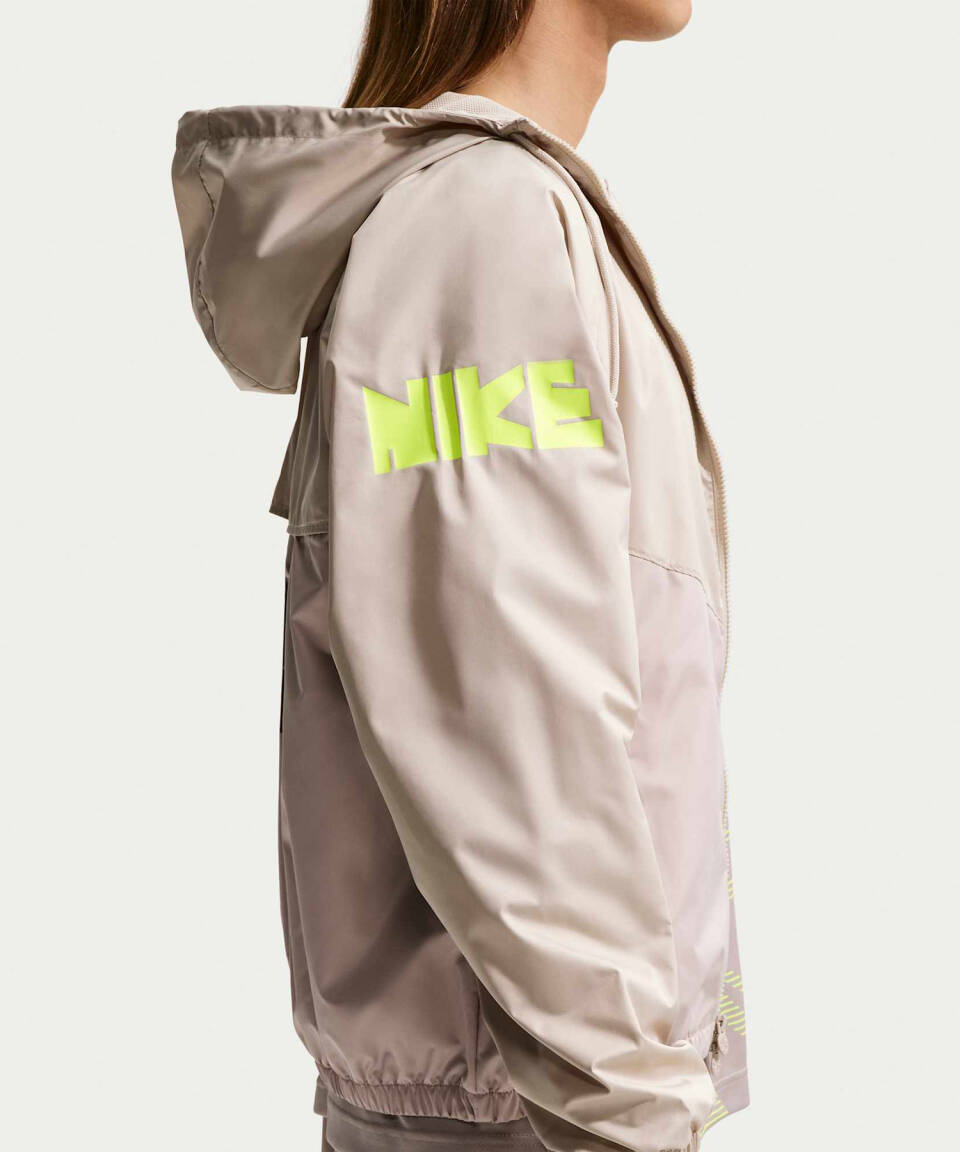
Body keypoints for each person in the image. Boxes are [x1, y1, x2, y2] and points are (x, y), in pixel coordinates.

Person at [171, 2, 749, 1150]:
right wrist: (637, 1113)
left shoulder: (496, 218)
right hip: (536, 1118)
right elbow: (509, 723)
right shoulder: (484, 226)